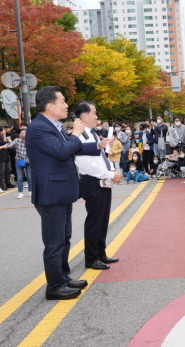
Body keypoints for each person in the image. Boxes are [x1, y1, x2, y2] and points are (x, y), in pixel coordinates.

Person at [26, 86, 103, 300]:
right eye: (62, 101)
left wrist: (97, 145)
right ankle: (54, 286)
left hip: (60, 191)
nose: (66, 105)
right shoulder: (39, 128)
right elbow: (62, 151)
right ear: (50, 106)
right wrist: (77, 134)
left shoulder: (53, 125)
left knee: (64, 238)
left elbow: (72, 147)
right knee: (54, 242)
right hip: (51, 193)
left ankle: (63, 277)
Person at [73, 100, 122, 271]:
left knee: (102, 220)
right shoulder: (79, 135)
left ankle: (100, 253)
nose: (96, 117)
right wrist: (110, 174)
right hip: (92, 182)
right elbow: (87, 165)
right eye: (94, 113)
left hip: (102, 181)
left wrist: (112, 172)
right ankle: (91, 258)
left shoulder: (92, 134)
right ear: (84, 115)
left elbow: (100, 158)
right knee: (94, 221)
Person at [0, 128, 32, 199]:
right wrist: (1, 147)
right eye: (21, 133)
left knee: (30, 177)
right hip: (19, 161)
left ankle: (30, 191)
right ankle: (20, 193)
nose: (22, 134)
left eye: (23, 133)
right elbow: (9, 145)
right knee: (20, 177)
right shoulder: (16, 141)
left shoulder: (30, 141)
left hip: (28, 161)